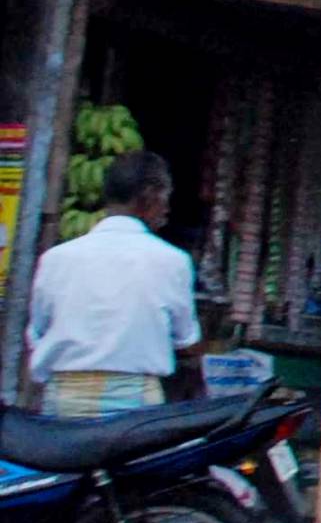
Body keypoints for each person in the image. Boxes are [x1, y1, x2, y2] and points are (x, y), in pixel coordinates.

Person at [27, 151, 202, 414]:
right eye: (165, 198)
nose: (167, 210)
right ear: (150, 196)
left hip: (63, 399)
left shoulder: (56, 259)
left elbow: (37, 333)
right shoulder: (173, 261)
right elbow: (185, 339)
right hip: (134, 402)